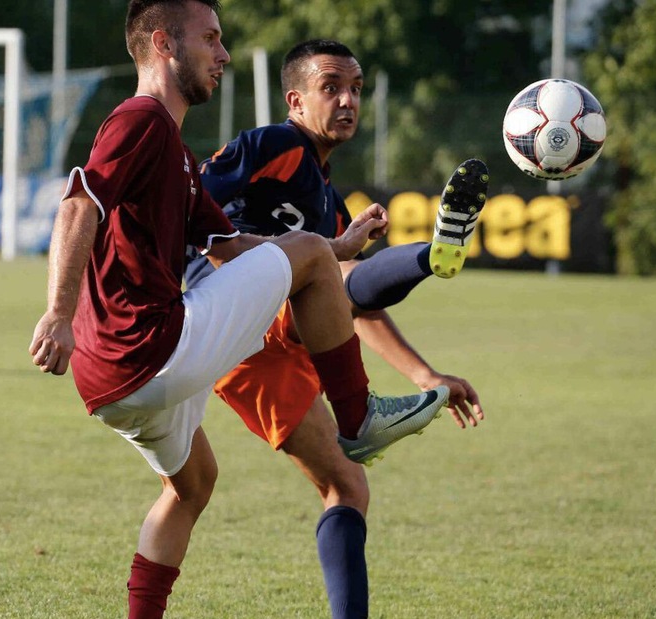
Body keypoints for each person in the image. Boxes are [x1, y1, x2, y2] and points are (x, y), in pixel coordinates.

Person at [28, 6, 447, 618]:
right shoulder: (141, 119)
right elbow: (77, 205)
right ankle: (358, 418)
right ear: (165, 43)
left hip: (110, 380)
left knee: (191, 485)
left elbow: (227, 245)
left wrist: (333, 251)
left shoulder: (171, 147)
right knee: (304, 259)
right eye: (212, 39)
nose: (223, 54)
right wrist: (56, 314)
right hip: (153, 349)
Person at [185, 39, 489, 618]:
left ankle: (433, 257)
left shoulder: (329, 202)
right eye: (332, 88)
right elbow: (196, 207)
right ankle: (430, 256)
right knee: (327, 264)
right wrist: (320, 254)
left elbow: (354, 306)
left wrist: (427, 375)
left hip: (250, 358)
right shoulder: (275, 144)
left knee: (347, 486)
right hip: (223, 304)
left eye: (356, 88)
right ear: (296, 100)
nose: (348, 100)